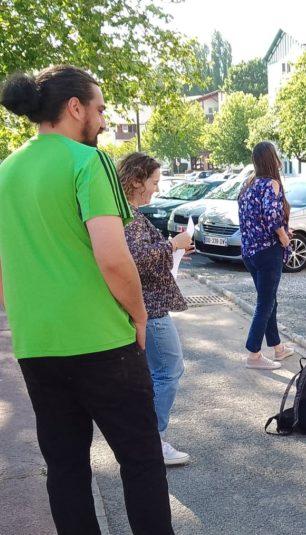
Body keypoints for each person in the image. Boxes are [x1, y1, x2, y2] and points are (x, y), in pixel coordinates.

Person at [0, 65, 207, 535]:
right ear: (76, 107)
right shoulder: (90, 163)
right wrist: (137, 316)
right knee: (139, 457)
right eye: (101, 108)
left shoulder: (6, 172)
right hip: (102, 342)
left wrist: (34, 313)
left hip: (39, 346)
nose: (104, 121)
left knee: (66, 465)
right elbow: (113, 254)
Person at [117, 151, 194, 466]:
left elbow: (136, 255)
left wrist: (171, 253)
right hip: (150, 309)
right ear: (136, 181)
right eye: (154, 182)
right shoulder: (129, 215)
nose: (157, 189)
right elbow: (134, 259)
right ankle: (153, 441)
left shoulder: (123, 212)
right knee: (169, 370)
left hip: (145, 306)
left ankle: (145, 438)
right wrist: (172, 245)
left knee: (153, 374)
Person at [237, 141, 294, 369]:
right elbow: (272, 217)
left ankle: (278, 348)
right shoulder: (271, 184)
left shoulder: (248, 184)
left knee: (270, 300)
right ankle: (254, 354)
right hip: (268, 251)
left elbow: (250, 218)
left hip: (250, 252)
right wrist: (284, 236)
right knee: (265, 303)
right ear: (273, 159)